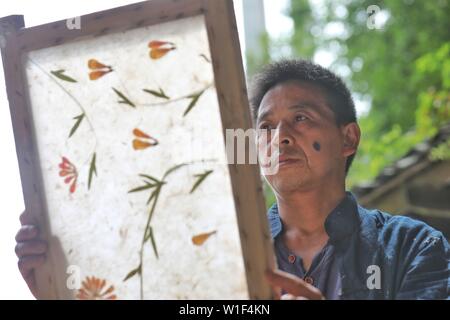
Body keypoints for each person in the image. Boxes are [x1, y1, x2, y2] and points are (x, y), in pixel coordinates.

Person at [15, 59, 449, 299]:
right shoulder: (220, 259)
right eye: (265, 127)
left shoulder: (413, 248)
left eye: (300, 118)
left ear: (347, 138)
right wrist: (56, 290)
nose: (279, 138)